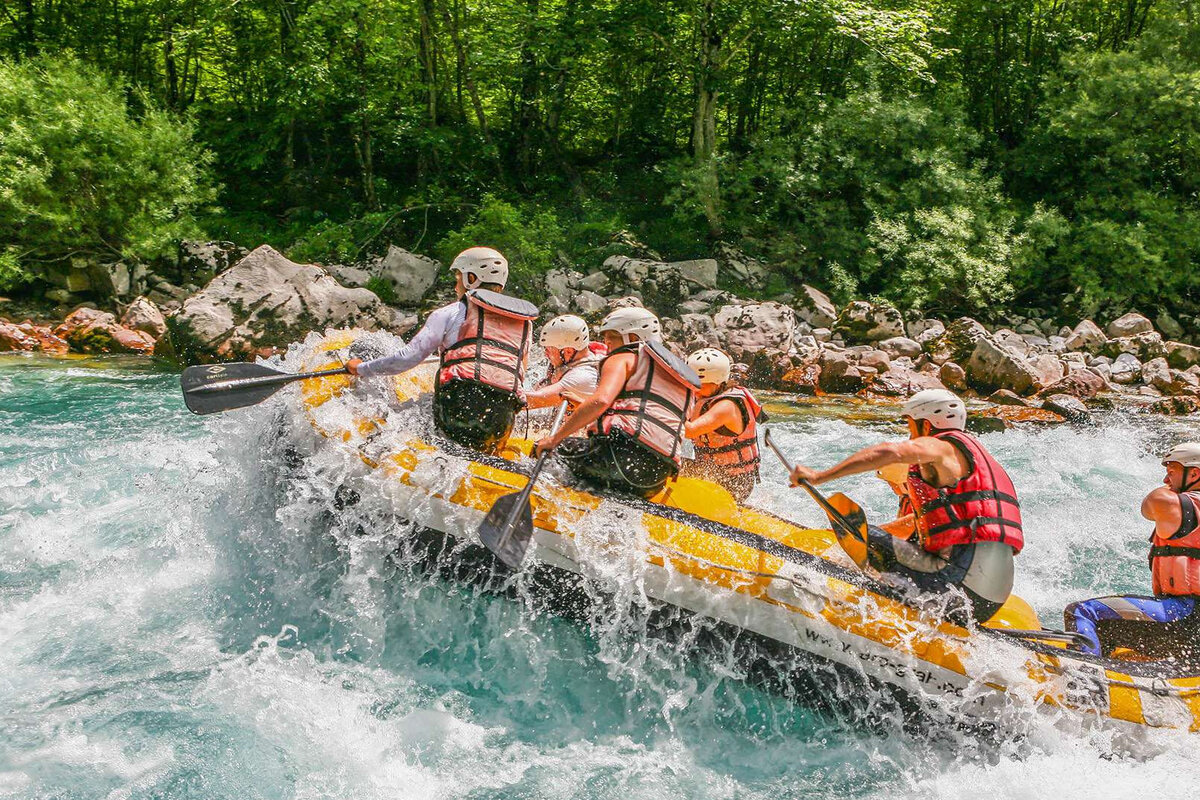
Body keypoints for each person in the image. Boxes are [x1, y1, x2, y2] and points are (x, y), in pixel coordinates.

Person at [787, 389, 1023, 625]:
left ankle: (823, 596)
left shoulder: (940, 447)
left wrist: (819, 476)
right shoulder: (981, 458)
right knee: (896, 545)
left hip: (957, 587)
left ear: (926, 425)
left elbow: (891, 452)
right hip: (987, 602)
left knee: (861, 534)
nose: (910, 436)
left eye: (911, 427)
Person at [346, 246, 538, 454]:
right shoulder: (525, 327)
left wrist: (361, 368)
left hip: (456, 411)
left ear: (471, 279)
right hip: (501, 422)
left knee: (392, 417)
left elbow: (407, 358)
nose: (456, 286)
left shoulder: (450, 313)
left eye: (458, 278)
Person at [533, 307, 700, 499]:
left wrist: (554, 440)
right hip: (656, 478)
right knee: (597, 481)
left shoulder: (623, 358)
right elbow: (643, 413)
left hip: (618, 457)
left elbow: (601, 400)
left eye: (613, 336)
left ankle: (543, 510)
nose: (607, 342)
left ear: (634, 337)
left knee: (545, 451)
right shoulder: (681, 382)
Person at [1063, 443, 1200, 659]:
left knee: (1081, 612)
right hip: (1191, 627)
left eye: (1171, 472)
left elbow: (1149, 505)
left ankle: (1084, 677)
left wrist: (1173, 488)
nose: (1166, 480)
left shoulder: (1178, 504)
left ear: (1194, 473)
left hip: (1184, 615)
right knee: (1106, 628)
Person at [682, 348, 766, 502]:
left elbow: (690, 431)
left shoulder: (726, 406)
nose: (695, 389)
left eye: (700, 385)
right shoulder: (707, 396)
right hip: (713, 472)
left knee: (667, 467)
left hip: (734, 483)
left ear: (718, 381)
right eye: (692, 384)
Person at [524, 314, 603, 410]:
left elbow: (533, 400)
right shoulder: (578, 362)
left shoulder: (582, 376)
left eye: (548, 350)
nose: (546, 354)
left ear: (568, 351)